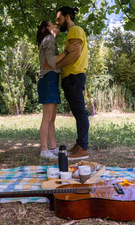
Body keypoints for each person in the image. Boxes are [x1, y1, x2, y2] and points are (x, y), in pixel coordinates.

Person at [44, 6, 89, 160]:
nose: (58, 22)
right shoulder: (72, 32)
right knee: (77, 112)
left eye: (59, 19)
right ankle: (79, 144)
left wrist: (57, 64)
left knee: (80, 112)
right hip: (71, 77)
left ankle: (83, 147)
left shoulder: (75, 30)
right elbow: (71, 52)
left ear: (67, 17)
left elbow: (75, 53)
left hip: (74, 76)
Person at [36, 21, 77, 159]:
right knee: (47, 117)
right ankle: (44, 150)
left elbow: (52, 62)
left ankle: (52, 148)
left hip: (51, 79)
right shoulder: (48, 39)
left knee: (52, 118)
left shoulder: (50, 40)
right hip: (47, 79)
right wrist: (67, 51)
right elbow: (52, 61)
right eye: (52, 24)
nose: (56, 25)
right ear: (45, 29)